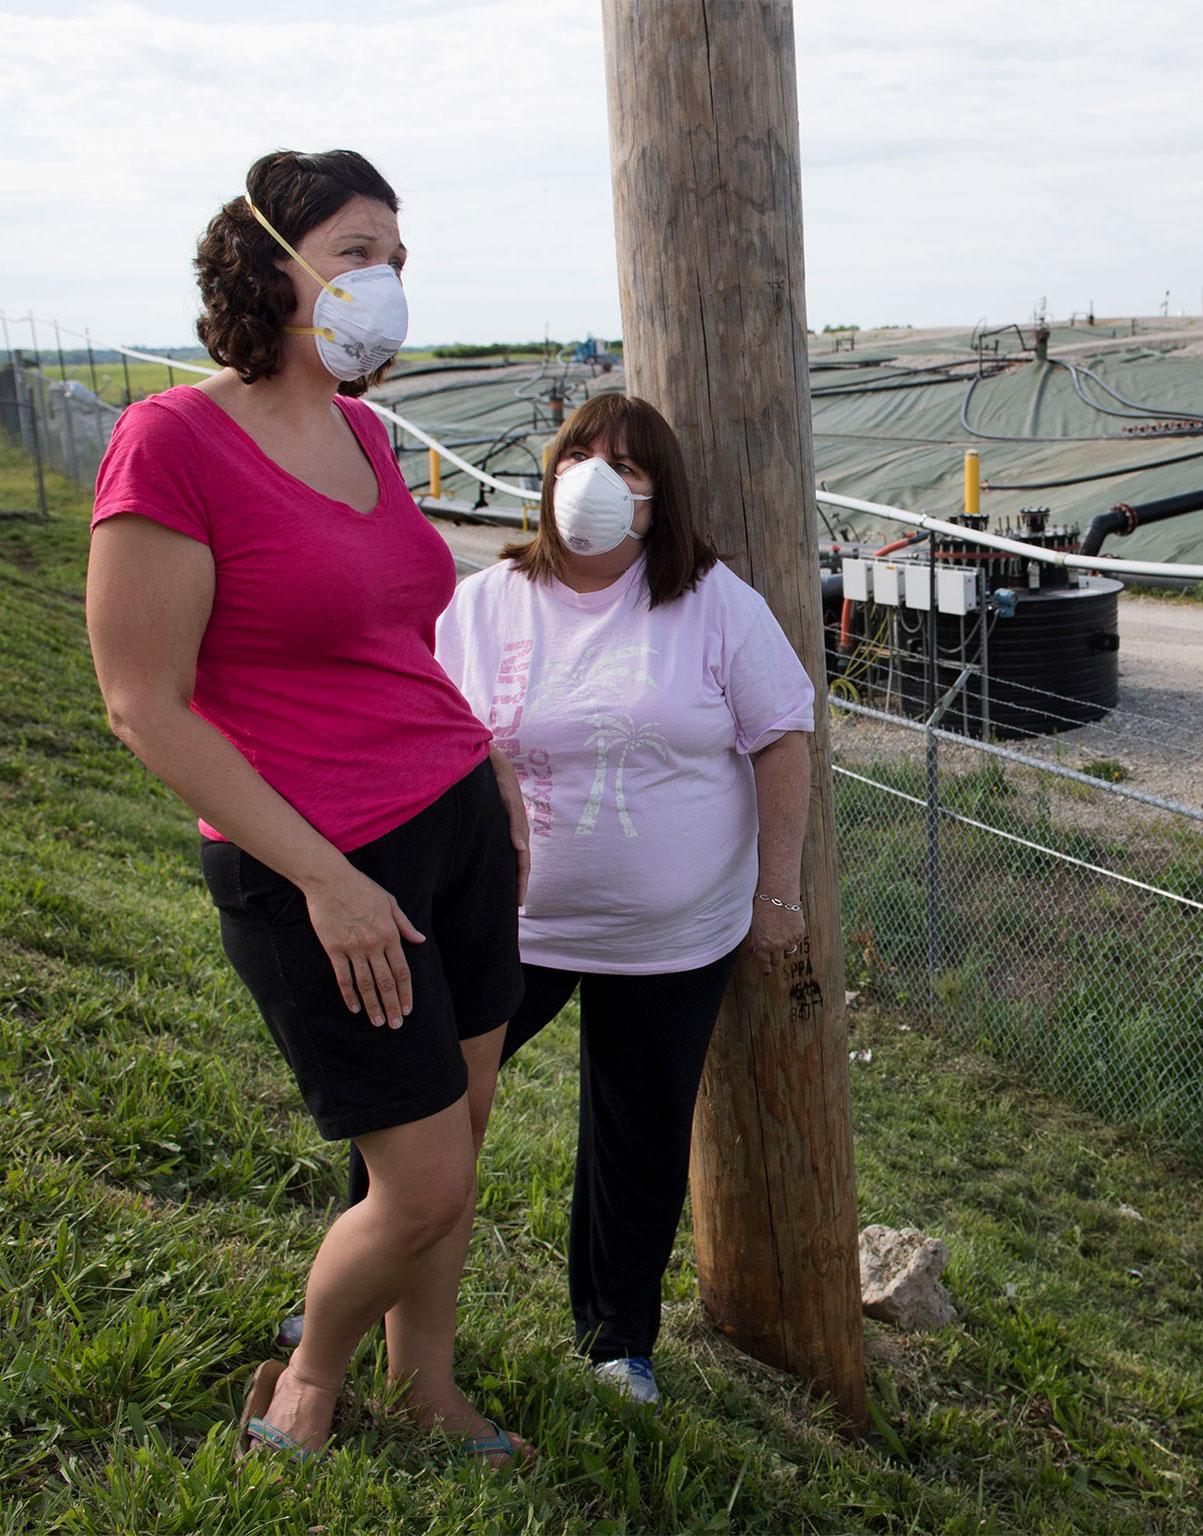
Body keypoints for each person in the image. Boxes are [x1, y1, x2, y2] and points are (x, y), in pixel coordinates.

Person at [85, 150, 530, 1465]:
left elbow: (390, 631)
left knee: (463, 1132)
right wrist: (328, 879)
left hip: (452, 819)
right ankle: (310, 1384)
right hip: (319, 859)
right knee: (425, 1179)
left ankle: (427, 1386)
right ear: (267, 265)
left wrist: (487, 761)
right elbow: (144, 704)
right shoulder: (170, 440)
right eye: (354, 251)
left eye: (397, 255)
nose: (384, 280)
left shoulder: (365, 430)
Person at [429, 390, 816, 1404]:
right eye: (581, 455)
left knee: (639, 1135)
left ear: (659, 499)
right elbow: (432, 730)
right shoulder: (488, 601)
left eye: (630, 466)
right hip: (509, 922)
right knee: (420, 1098)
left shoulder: (711, 600)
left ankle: (616, 1342)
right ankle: (367, 1284)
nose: (599, 478)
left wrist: (779, 892)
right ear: (549, 473)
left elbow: (781, 735)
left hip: (671, 937)